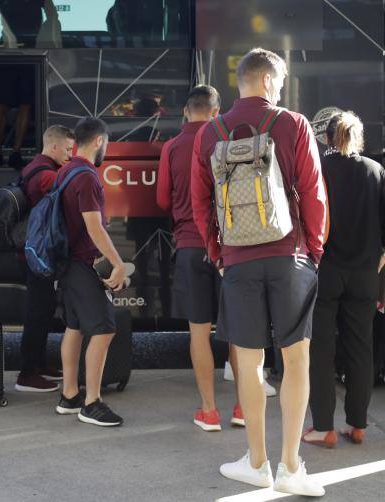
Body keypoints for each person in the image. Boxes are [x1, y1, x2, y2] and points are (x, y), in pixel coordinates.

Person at [191, 48, 327, 497]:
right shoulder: (293, 124)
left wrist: (219, 253)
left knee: (248, 362)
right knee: (296, 358)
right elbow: (312, 193)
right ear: (269, 80)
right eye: (281, 82)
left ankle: (256, 463)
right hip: (291, 255)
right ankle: (291, 467)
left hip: (239, 260)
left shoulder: (211, 132)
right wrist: (312, 250)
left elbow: (201, 204)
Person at [156, 85, 245, 431]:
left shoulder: (171, 147)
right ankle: (242, 407)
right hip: (230, 248)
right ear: (215, 111)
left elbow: (163, 199)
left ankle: (209, 411)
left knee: (198, 332)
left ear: (185, 112)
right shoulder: (225, 142)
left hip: (191, 246)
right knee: (239, 331)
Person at [303, 111, 385, 447]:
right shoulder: (376, 171)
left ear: (326, 137)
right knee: (360, 347)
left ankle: (324, 427)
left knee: (321, 349)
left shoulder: (318, 169)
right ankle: (359, 424)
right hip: (365, 274)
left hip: (324, 271)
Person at [55, 117, 127, 427]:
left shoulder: (64, 172)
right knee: (103, 329)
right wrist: (118, 263)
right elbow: (94, 228)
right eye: (106, 144)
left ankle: (70, 395)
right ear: (99, 141)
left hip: (66, 263)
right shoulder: (86, 177)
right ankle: (91, 403)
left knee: (74, 327)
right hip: (83, 264)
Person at [15, 125, 75, 393]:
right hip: (41, 255)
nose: (70, 155)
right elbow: (68, 191)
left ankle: (38, 364)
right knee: (38, 312)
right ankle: (27, 374)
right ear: (53, 147)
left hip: (34, 252)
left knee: (44, 308)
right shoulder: (46, 175)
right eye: (67, 149)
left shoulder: (33, 168)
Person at [0, 0, 46, 170]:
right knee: (3, 105)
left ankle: (14, 153)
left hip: (31, 54)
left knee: (22, 106)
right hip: (10, 53)